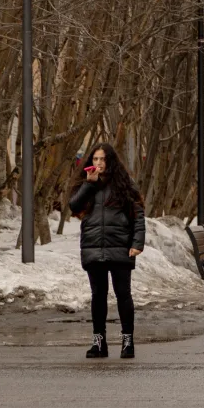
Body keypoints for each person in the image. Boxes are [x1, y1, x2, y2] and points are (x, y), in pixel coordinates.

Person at [68, 143, 145, 359]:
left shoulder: (124, 184)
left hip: (120, 247)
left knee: (123, 295)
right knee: (98, 297)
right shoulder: (86, 184)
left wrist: (137, 243)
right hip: (94, 247)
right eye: (95, 159)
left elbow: (138, 216)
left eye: (102, 159)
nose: (99, 163)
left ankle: (127, 342)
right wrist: (89, 186)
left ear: (110, 161)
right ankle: (99, 343)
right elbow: (73, 207)